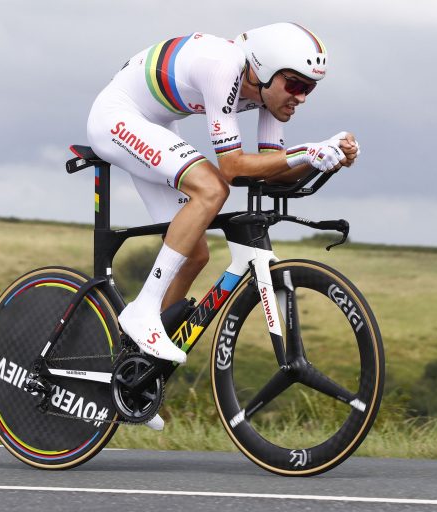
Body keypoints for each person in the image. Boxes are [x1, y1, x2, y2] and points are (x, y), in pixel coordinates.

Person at [87, 22, 360, 367]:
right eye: (295, 84)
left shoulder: (268, 95)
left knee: (192, 255)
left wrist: (325, 158)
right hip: (117, 118)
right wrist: (306, 152)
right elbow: (232, 168)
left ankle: (134, 368)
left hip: (156, 125)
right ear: (264, 70)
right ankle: (142, 312)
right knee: (212, 187)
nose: (301, 97)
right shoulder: (222, 65)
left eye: (310, 88)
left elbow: (270, 174)